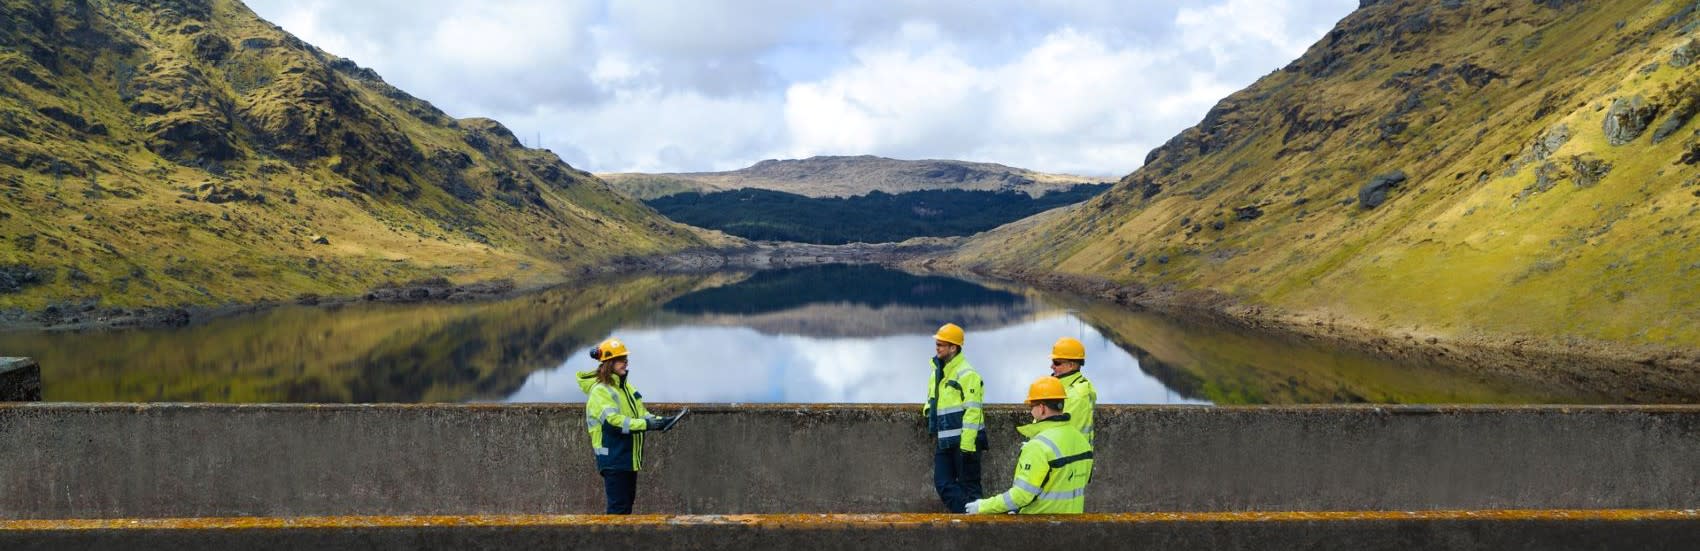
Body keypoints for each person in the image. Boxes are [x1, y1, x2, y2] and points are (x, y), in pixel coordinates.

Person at [576, 338, 679, 514]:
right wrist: (647, 424)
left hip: (627, 459)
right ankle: (611, 542)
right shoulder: (601, 390)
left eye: (626, 359)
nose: (626, 363)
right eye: (621, 359)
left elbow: (641, 414)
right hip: (613, 459)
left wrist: (660, 421)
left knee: (625, 508)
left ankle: (615, 541)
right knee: (618, 511)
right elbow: (613, 423)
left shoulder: (626, 388)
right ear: (609, 363)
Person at [966, 376, 1094, 514]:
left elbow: (1021, 496)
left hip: (1040, 529)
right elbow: (1081, 481)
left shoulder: (1039, 446)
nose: (1030, 411)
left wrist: (982, 506)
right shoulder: (1082, 440)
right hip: (1075, 527)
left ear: (1042, 408)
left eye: (1031, 406)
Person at [923, 322, 986, 513]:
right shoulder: (937, 371)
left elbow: (973, 410)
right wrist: (927, 411)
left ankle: (977, 526)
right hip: (944, 440)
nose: (937, 347)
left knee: (970, 489)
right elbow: (932, 398)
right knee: (943, 483)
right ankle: (969, 517)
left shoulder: (968, 374)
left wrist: (967, 445)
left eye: (942, 344)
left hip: (965, 442)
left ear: (954, 347)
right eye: (937, 344)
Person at [1049, 337, 1098, 443]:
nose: (1051, 366)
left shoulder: (1075, 395)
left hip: (1064, 456)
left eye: (1057, 362)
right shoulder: (1070, 387)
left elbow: (1054, 432)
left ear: (1071, 365)